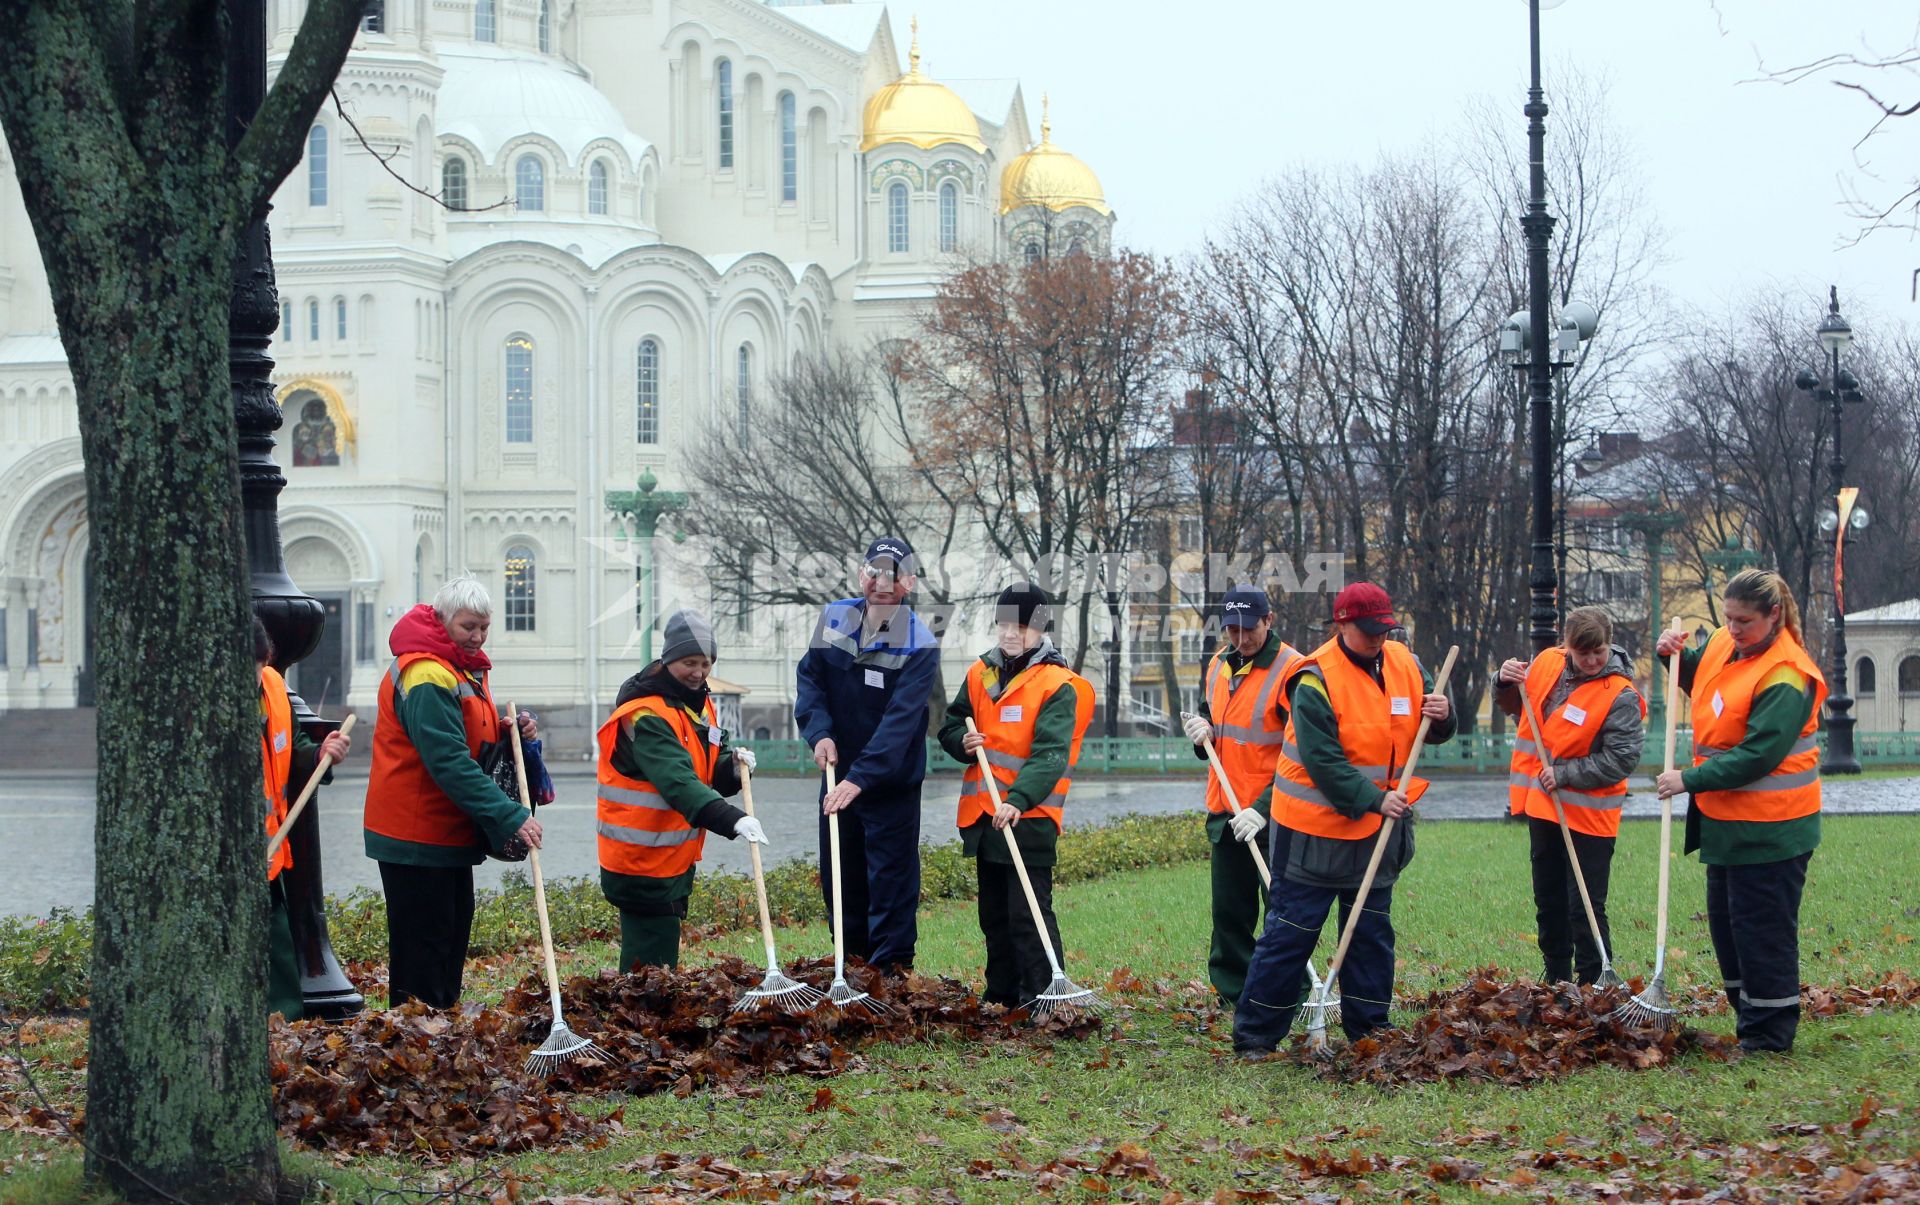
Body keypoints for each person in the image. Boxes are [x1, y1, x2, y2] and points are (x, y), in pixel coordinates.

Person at [1232, 582, 1454, 1055]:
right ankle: (1256, 1034)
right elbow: (1323, 761)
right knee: (1291, 934)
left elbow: (1424, 731)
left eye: (1384, 629)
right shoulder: (1313, 677)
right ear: (1342, 625)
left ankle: (1369, 1028)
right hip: (1311, 829)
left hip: (1377, 830)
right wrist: (1375, 801)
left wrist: (1444, 715)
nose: (1378, 638)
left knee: (1371, 931)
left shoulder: (1407, 663)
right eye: (1368, 630)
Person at [1654, 568, 1825, 1053]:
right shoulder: (1725, 647)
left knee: (1762, 933)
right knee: (1730, 932)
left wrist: (1688, 780)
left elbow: (1759, 755)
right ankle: (1749, 1017)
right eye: (1727, 618)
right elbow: (1699, 678)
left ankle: (1768, 1037)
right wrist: (1670, 654)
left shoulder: (1788, 674)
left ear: (1774, 616)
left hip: (1774, 830)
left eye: (1744, 620)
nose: (1733, 628)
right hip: (1727, 826)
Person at [363, 578, 543, 1008]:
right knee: (424, 949)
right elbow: (447, 760)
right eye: (468, 626)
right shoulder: (426, 672)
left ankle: (439, 1033)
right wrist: (509, 814)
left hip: (445, 832)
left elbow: (466, 737)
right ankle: (415, 1045)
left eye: (484, 627)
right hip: (414, 834)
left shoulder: (460, 667)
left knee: (450, 934)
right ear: (443, 621)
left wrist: (508, 732)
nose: (478, 636)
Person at [936, 584, 1095, 1008]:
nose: (1009, 634)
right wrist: (961, 742)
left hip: (1030, 816)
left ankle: (1043, 996)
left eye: (1020, 626)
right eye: (1004, 624)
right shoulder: (980, 673)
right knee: (994, 917)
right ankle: (1003, 997)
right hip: (985, 818)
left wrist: (1019, 799)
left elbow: (1051, 754)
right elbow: (950, 725)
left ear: (1040, 629)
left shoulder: (1060, 685)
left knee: (1029, 915)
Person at [794, 537, 940, 974]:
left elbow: (899, 725)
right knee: (842, 876)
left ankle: (892, 974)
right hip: (836, 776)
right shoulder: (834, 618)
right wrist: (818, 734)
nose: (882, 582)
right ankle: (851, 966)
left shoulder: (920, 644)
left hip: (888, 783)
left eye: (894, 574)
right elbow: (810, 681)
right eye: (874, 571)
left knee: (890, 882)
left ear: (908, 582)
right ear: (861, 575)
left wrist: (860, 779)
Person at [597, 610, 767, 970]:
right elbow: (678, 782)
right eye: (689, 662)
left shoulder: (698, 704)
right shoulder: (646, 715)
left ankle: (646, 1018)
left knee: (658, 961)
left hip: (668, 858)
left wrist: (733, 769)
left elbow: (706, 769)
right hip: (640, 861)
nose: (699, 672)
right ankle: (641, 1023)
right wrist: (732, 821)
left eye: (706, 663)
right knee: (647, 971)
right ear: (668, 659)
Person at [1495, 606, 1645, 985]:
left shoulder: (1621, 695)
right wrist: (1503, 680)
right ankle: (1557, 978)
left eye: (1600, 652)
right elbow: (1515, 704)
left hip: (1591, 817)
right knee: (1549, 901)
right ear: (1567, 646)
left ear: (1610, 645)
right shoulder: (1547, 663)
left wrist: (1564, 774)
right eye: (1584, 654)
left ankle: (1595, 981)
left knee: (1586, 906)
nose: (1593, 661)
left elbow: (1621, 759)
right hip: (1543, 809)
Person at [1180, 585, 1304, 1005]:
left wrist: (1263, 809)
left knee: (1283, 911)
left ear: (1269, 621)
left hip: (1276, 813)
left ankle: (1292, 991)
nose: (1240, 638)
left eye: (1248, 629)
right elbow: (1212, 723)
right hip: (1225, 809)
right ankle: (1234, 991)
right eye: (1231, 629)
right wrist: (1201, 735)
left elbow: (1301, 752)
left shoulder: (1293, 670)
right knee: (1229, 913)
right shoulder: (1218, 664)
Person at [256, 618, 351, 1020]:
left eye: (260, 666)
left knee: (278, 949)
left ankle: (280, 1036)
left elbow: (292, 751)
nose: (255, 679)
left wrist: (319, 754)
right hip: (224, 860)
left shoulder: (273, 687)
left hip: (269, 855)